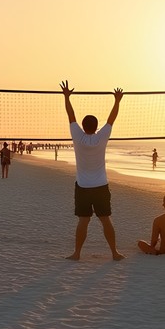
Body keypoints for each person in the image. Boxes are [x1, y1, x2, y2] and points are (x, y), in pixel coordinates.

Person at [61, 80, 125, 261]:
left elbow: (71, 115)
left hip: (83, 186)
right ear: (96, 127)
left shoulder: (77, 135)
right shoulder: (102, 137)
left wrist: (66, 96)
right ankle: (114, 253)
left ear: (83, 126)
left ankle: (77, 254)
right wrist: (117, 100)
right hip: (100, 185)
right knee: (105, 220)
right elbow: (112, 119)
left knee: (83, 221)